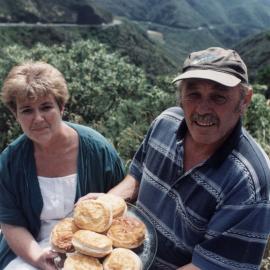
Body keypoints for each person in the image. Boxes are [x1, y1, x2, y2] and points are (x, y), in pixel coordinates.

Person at [102, 47, 270, 269]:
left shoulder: (248, 182)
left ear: (244, 100)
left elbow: (211, 266)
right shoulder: (165, 123)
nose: (202, 108)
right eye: (193, 94)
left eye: (218, 97)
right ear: (181, 96)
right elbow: (136, 177)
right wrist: (105, 206)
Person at [0, 61, 125, 270]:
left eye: (46, 107)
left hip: (91, 253)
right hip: (30, 251)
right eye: (27, 110)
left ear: (62, 107)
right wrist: (38, 258)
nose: (38, 118)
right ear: (16, 115)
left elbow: (122, 205)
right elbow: (11, 223)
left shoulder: (98, 150)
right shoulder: (11, 161)